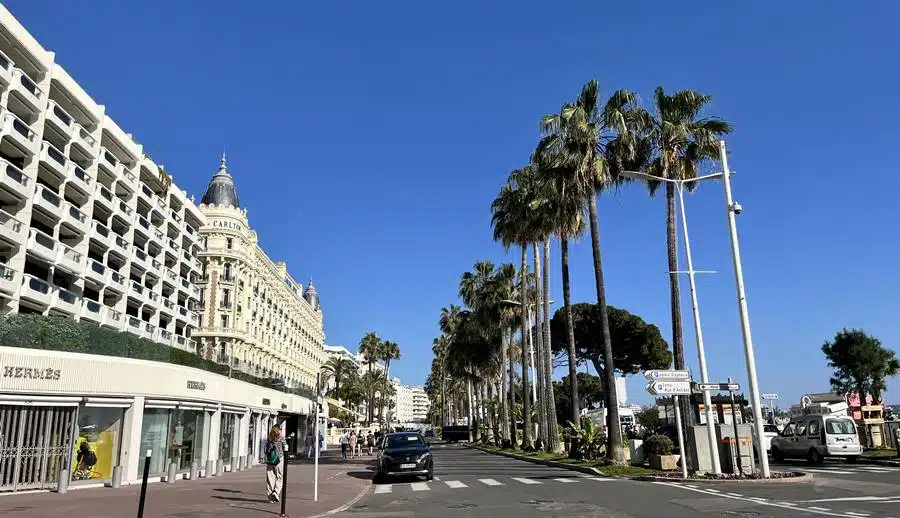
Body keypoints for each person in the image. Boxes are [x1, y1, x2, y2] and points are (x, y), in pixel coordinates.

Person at [264, 425, 287, 503]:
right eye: (280, 429)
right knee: (280, 477)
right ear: (279, 430)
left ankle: (270, 498)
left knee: (270, 479)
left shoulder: (269, 438)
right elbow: (285, 448)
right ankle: (276, 492)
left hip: (270, 460)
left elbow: (265, 449)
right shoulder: (281, 438)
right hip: (279, 459)